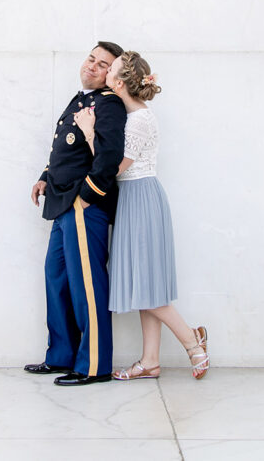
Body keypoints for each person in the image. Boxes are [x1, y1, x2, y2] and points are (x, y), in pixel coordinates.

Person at [74, 51, 209, 380]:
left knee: (148, 287)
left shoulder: (140, 120)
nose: (104, 71)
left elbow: (115, 169)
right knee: (146, 286)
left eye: (111, 68)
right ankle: (150, 361)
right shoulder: (132, 116)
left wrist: (90, 133)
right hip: (134, 200)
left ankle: (192, 341)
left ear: (118, 83)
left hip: (141, 198)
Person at [25, 42, 127, 386]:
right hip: (60, 202)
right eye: (91, 59)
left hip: (83, 205)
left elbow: (109, 157)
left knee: (87, 286)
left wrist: (87, 196)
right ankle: (62, 356)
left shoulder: (109, 104)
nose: (93, 66)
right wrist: (44, 176)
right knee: (57, 279)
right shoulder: (80, 99)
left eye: (103, 65)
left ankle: (95, 364)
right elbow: (67, 152)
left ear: (113, 75)